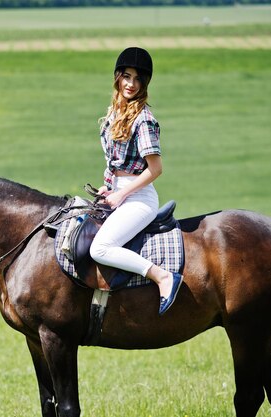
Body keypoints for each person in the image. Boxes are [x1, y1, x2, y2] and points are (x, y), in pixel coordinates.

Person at [89, 47, 183, 316]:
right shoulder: (114, 114)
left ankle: (163, 277)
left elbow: (155, 169)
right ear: (117, 77)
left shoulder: (144, 120)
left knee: (101, 248)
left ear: (145, 84)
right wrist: (109, 187)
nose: (131, 84)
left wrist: (121, 194)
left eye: (138, 79)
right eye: (126, 76)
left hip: (139, 200)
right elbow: (114, 162)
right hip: (119, 193)